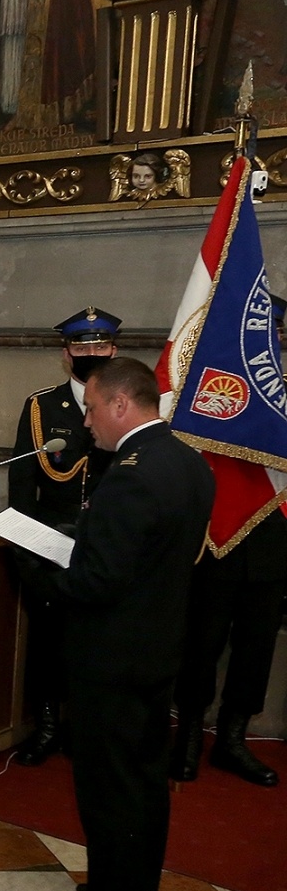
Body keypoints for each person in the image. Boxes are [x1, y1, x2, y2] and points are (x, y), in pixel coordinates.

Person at [24, 358, 212, 891]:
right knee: (141, 784)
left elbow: (95, 583)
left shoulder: (132, 473)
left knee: (111, 789)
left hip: (113, 658)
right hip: (155, 651)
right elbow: (145, 555)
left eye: (91, 409)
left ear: (120, 405)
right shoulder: (189, 463)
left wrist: (36, 565)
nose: (86, 423)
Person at [170, 293, 287, 788]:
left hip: (275, 538)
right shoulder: (222, 381)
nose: (275, 338)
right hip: (219, 535)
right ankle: (190, 734)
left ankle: (233, 739)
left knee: (256, 646)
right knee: (202, 642)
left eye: (281, 331)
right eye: (268, 329)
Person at [7, 306, 119, 766]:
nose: (90, 353)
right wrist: (27, 553)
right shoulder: (43, 407)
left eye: (100, 346)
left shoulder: (125, 406)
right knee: (48, 642)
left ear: (115, 350)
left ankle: (82, 727)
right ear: (65, 353)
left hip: (106, 547)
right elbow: (21, 482)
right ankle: (48, 724)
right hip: (51, 543)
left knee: (97, 643)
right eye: (81, 346)